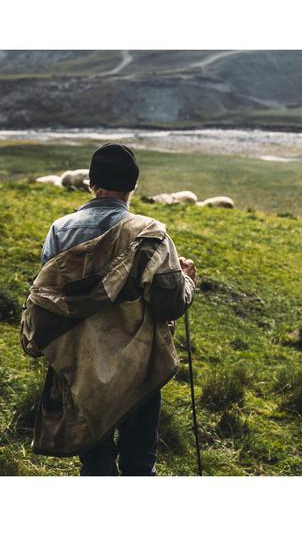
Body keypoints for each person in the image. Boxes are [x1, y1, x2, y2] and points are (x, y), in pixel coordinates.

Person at [20, 143, 196, 476]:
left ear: (91, 183)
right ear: (133, 187)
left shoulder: (60, 231)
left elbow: (47, 294)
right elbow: (169, 303)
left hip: (80, 364)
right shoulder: (151, 235)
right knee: (139, 460)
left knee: (96, 459)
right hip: (139, 366)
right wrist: (186, 280)